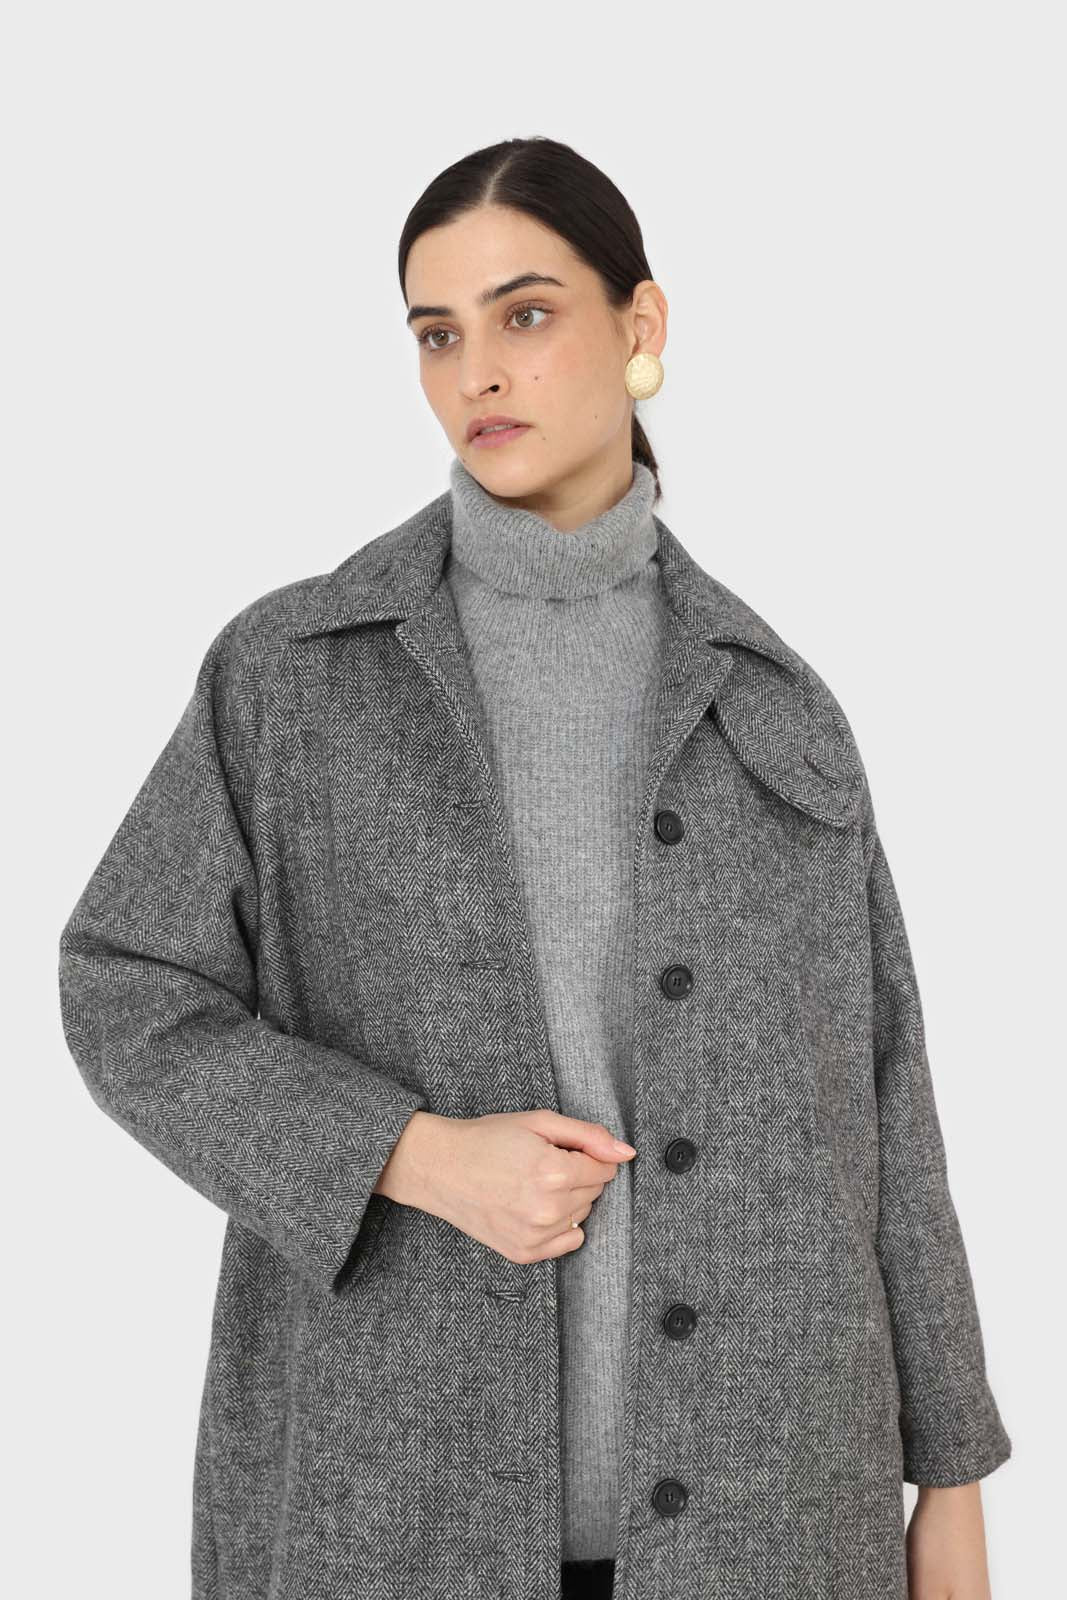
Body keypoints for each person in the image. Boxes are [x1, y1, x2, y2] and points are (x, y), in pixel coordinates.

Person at [58, 136, 1010, 1600]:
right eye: (438, 334)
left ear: (641, 325)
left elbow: (887, 1105)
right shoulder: (296, 674)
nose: (478, 373)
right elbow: (125, 986)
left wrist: (952, 1482)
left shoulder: (774, 703)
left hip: (773, 1514)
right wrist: (412, 1155)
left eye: (526, 314)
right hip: (393, 1505)